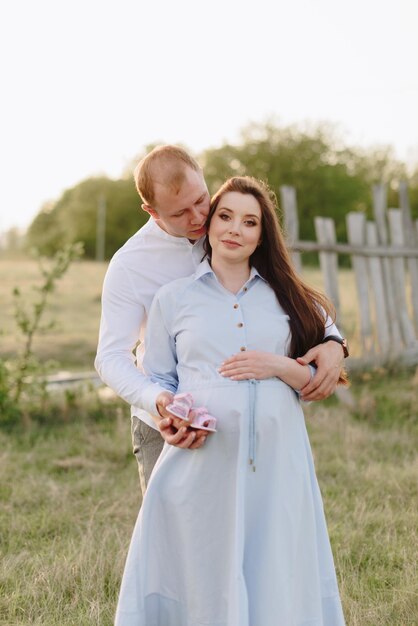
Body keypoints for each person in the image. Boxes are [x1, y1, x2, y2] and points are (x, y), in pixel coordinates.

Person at [114, 176, 346, 625]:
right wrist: (168, 411)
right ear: (211, 223)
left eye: (249, 221)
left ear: (263, 235)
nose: (234, 229)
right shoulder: (173, 298)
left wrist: (277, 366)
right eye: (225, 216)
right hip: (204, 458)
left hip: (279, 459)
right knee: (204, 567)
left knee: (274, 564)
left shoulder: (290, 298)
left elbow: (321, 377)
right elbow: (159, 375)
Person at [95, 146, 347, 497]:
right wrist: (159, 402)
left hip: (246, 418)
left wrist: (335, 343)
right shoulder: (130, 266)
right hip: (167, 421)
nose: (198, 216)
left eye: (201, 199)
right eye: (180, 213)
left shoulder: (227, 225)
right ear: (151, 212)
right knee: (173, 536)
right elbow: (110, 356)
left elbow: (286, 286)